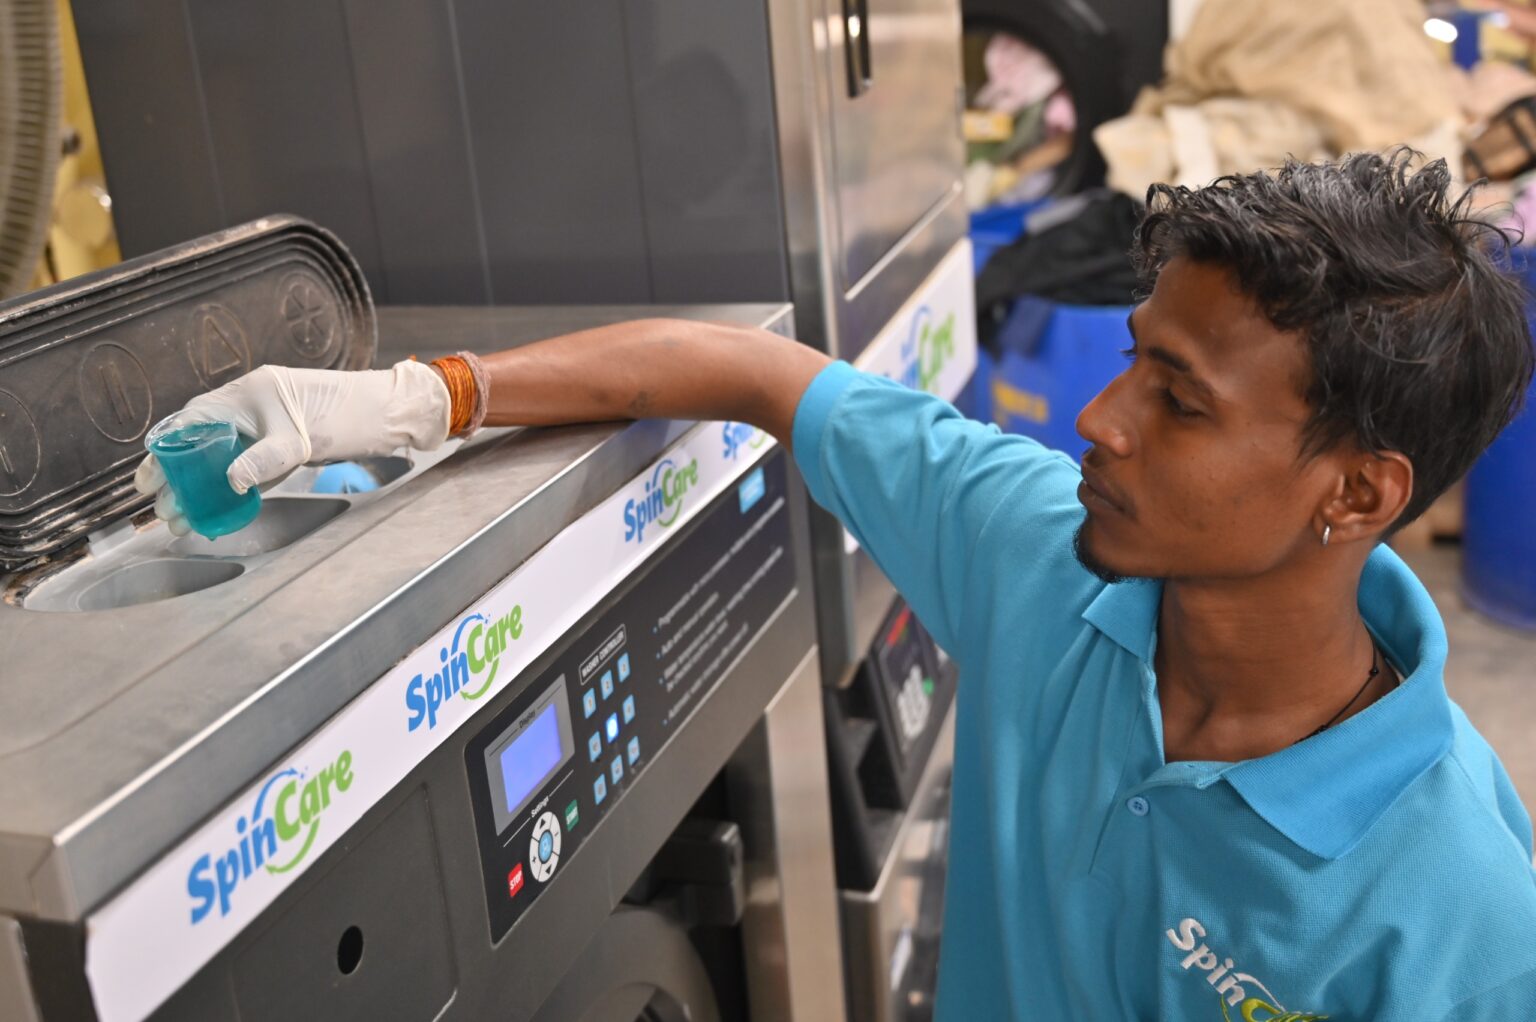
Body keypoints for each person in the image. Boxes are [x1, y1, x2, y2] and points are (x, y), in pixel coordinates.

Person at [137, 151, 1536, 1018]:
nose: (1098, 420)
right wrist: (402, 402)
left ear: (1357, 492)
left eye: (1177, 400)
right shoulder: (1039, 554)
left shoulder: (1459, 923)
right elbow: (752, 370)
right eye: (1130, 358)